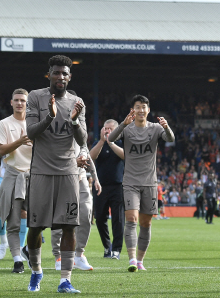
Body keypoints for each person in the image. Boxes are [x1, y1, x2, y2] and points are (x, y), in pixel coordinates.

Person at [24, 55, 86, 293]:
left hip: (68, 171)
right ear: (48, 74)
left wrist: (73, 122)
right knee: (36, 227)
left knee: (69, 227)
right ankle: (36, 272)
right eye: (57, 73)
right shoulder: (35, 97)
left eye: (65, 73)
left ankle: (65, 280)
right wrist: (50, 115)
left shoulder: (77, 102)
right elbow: (31, 132)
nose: (61, 77)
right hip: (41, 171)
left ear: (70, 77)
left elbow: (82, 140)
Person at [107, 94, 175, 273]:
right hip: (130, 182)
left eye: (144, 107)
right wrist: (123, 123)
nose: (141, 110)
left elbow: (171, 139)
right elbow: (111, 138)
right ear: (133, 110)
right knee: (131, 220)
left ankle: (140, 261)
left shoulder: (154, 128)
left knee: (146, 223)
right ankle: (131, 259)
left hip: (150, 183)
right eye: (138, 107)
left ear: (148, 110)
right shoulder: (127, 129)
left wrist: (166, 127)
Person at [0, 88, 32, 272]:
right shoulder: (4, 124)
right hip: (13, 174)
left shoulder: (35, 123)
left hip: (35, 176)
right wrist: (20, 142)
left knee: (40, 221)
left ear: (27, 102)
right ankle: (17, 259)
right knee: (12, 220)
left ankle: (28, 249)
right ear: (11, 102)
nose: (19, 103)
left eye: (23, 100)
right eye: (16, 100)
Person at [51, 143, 101, 271]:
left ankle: (79, 255)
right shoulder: (57, 130)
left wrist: (95, 178)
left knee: (85, 213)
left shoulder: (79, 129)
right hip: (61, 176)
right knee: (60, 217)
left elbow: (86, 153)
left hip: (80, 177)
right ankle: (58, 256)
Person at [89, 119, 125, 259]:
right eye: (105, 128)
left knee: (118, 219)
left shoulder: (121, 143)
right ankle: (107, 246)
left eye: (110, 128)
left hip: (118, 186)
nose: (107, 130)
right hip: (100, 186)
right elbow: (91, 157)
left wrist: (111, 142)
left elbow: (125, 156)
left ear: (117, 130)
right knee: (99, 218)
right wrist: (103, 142)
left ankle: (116, 249)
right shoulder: (98, 143)